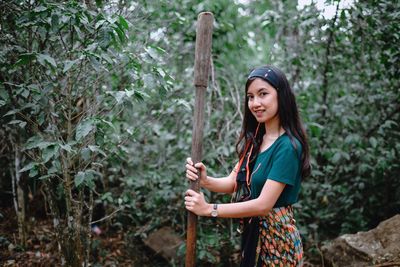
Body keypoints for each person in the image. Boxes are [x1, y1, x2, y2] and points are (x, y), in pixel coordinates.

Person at [184, 65, 310, 266]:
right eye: (250, 97)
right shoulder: (256, 140)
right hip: (254, 235)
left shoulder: (288, 147)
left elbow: (263, 205)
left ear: (281, 96)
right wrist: (205, 180)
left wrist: (209, 209)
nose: (255, 103)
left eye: (263, 94)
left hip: (277, 243)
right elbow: (234, 182)